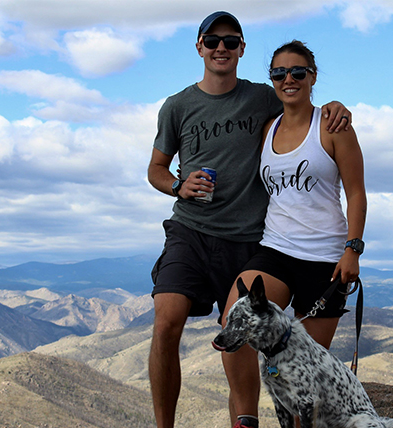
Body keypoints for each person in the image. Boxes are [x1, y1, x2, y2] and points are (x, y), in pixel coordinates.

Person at [146, 12, 352, 428]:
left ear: (241, 48)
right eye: (212, 40)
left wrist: (334, 105)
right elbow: (156, 168)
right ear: (199, 46)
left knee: (242, 330)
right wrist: (177, 187)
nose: (221, 47)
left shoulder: (263, 97)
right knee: (167, 321)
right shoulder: (177, 106)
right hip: (191, 230)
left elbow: (301, 100)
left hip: (248, 239)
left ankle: (245, 419)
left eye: (230, 41)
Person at [219, 40, 367, 428]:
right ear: (271, 80)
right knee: (232, 320)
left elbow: (356, 193)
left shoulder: (334, 127)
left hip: (325, 259)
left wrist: (352, 249)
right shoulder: (268, 128)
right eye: (279, 73)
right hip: (276, 250)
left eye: (298, 72)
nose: (289, 79)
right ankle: (246, 419)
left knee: (304, 378)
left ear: (312, 77)